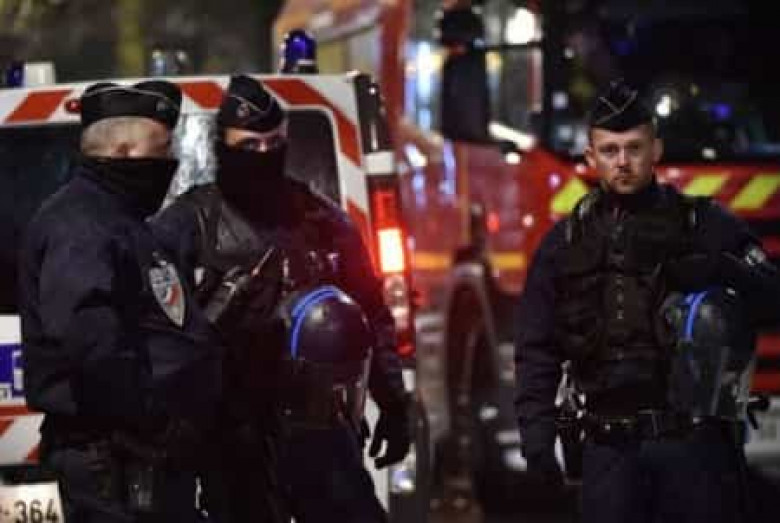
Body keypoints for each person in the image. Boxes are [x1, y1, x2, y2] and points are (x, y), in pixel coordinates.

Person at [514, 78, 780, 523]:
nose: (623, 162)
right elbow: (535, 348)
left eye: (634, 148)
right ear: (591, 157)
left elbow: (772, 299)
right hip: (607, 453)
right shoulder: (565, 243)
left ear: (656, 149)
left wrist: (722, 270)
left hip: (694, 450)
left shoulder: (703, 224)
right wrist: (537, 438)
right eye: (610, 150)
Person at [153, 74, 411, 523]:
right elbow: (156, 329)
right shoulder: (189, 224)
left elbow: (371, 314)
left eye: (273, 144)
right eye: (249, 146)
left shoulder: (320, 220)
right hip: (233, 435)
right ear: (223, 146)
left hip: (322, 433)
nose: (263, 155)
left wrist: (393, 403)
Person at [18, 81, 223, 522]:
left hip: (140, 460)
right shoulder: (81, 225)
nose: (171, 161)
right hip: (112, 463)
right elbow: (92, 344)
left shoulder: (119, 219)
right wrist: (156, 419)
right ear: (125, 152)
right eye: (162, 149)